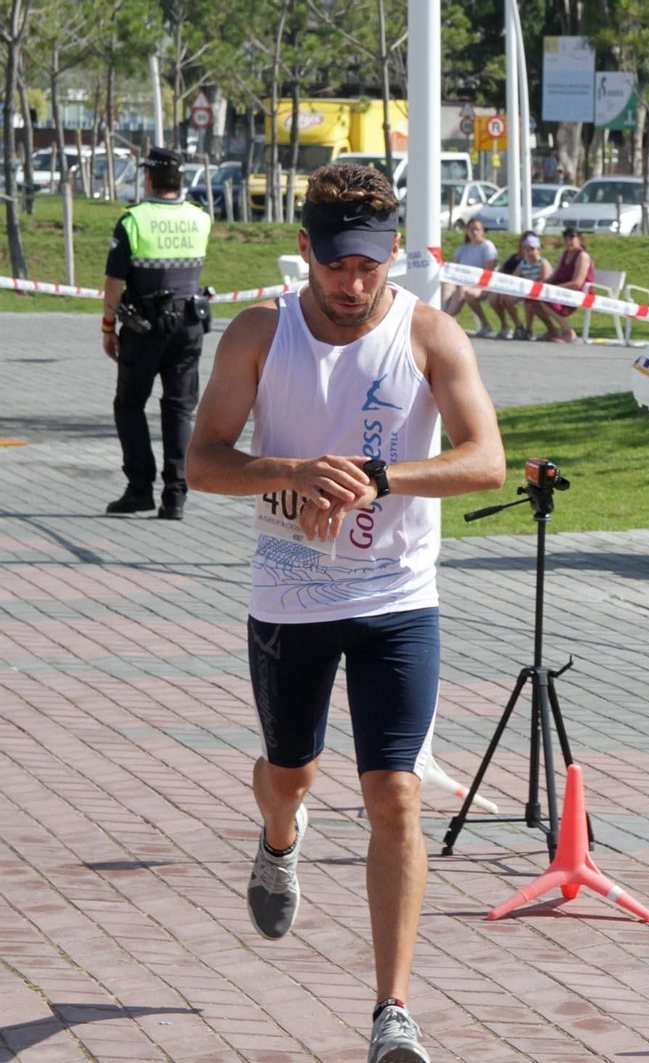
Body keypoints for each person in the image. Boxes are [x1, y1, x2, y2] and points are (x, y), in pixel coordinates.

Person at [186, 162, 506, 1063]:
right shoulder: (259, 332)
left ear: (392, 255)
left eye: (368, 265)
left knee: (395, 793)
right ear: (305, 254)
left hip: (398, 596)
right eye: (336, 266)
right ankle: (279, 839)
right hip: (290, 589)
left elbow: (486, 459)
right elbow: (202, 462)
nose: (353, 284)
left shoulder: (430, 334)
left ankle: (391, 1013)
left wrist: (376, 477)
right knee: (290, 774)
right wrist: (292, 472)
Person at [102, 146, 213, 520]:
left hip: (144, 327)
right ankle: (176, 496)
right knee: (180, 408)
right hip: (189, 324)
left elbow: (115, 282)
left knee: (129, 404)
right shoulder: (200, 218)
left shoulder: (133, 220)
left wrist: (108, 326)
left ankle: (139, 489)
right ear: (179, 179)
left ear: (148, 178)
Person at [527, 226, 594, 343]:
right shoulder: (565, 254)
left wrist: (554, 289)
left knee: (545, 298)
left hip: (577, 293)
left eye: (572, 239)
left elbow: (577, 283)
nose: (568, 242)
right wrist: (543, 284)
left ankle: (569, 332)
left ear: (580, 240)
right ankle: (552, 330)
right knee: (531, 299)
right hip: (562, 289)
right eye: (566, 239)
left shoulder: (582, 256)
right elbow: (556, 275)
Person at [440, 218, 499, 337]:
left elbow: (488, 271)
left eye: (477, 229)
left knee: (464, 291)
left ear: (482, 231)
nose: (474, 232)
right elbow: (452, 268)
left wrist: (470, 284)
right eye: (471, 229)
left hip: (482, 285)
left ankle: (445, 323)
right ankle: (445, 318)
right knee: (447, 287)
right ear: (467, 231)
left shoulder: (487, 246)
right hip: (461, 283)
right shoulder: (463, 248)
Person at [489, 231, 552, 340]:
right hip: (526, 290)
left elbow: (544, 282)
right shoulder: (523, 263)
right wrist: (507, 290)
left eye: (532, 249)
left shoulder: (542, 263)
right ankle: (519, 326)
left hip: (539, 291)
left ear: (538, 250)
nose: (529, 252)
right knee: (507, 299)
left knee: (529, 301)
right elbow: (514, 278)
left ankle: (529, 329)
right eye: (526, 249)